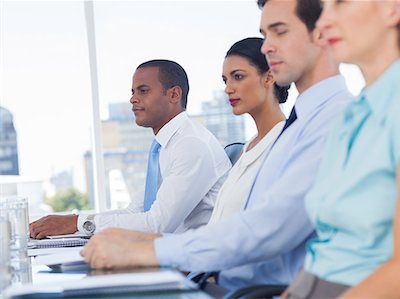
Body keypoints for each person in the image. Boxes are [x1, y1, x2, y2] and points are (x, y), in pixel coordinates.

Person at [81, 0, 353, 293]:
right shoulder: (296, 128)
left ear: (323, 32)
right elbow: (237, 227)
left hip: (244, 289)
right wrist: (139, 242)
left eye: (279, 32)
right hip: (221, 279)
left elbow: (266, 232)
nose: (266, 47)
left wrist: (148, 250)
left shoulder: (333, 122)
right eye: (266, 34)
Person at [283, 0, 400, 298]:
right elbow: (329, 248)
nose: (323, 22)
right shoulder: (354, 114)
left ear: (393, 8)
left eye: (340, 3)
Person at [29, 59, 231, 239]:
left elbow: (157, 225)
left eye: (143, 91)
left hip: (194, 269)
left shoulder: (190, 144)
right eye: (133, 92)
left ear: (174, 94)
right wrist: (76, 222)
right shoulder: (165, 146)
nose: (133, 99)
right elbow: (134, 212)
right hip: (172, 254)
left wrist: (76, 223)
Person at [209, 37, 288, 224]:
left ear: (269, 77)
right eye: (225, 80)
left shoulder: (286, 145)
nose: (228, 89)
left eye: (238, 76)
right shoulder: (247, 149)